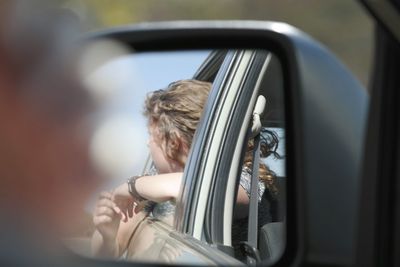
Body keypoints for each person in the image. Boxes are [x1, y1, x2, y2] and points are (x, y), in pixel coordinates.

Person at [92, 79, 281, 259]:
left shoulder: (244, 179)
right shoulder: (153, 181)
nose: (147, 143)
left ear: (174, 142)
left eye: (152, 136)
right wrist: (107, 234)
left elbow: (203, 189)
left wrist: (131, 186)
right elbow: (110, 253)